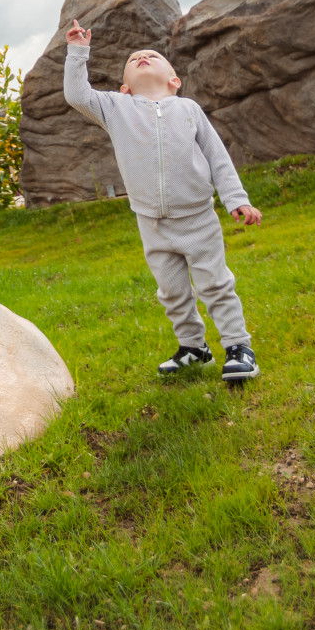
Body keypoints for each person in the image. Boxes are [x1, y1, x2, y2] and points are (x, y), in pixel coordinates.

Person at [63, 20, 262, 381]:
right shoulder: (115, 108)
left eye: (151, 55)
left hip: (197, 218)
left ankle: (238, 347)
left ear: (174, 80)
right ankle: (194, 348)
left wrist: (236, 198)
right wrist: (78, 51)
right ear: (124, 87)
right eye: (134, 57)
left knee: (215, 284)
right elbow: (77, 95)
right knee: (171, 292)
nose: (142, 56)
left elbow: (217, 156)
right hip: (151, 222)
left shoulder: (188, 109)